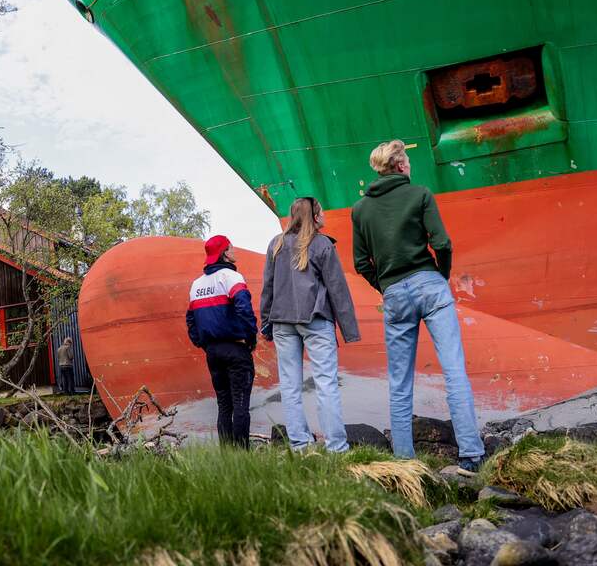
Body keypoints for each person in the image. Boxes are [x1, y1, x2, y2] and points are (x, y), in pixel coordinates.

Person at [351, 139, 485, 471]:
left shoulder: (359, 210)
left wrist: (385, 287)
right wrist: (440, 276)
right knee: (454, 370)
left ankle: (404, 461)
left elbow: (361, 263)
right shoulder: (420, 194)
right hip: (430, 284)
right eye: (407, 161)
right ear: (399, 166)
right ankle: (470, 455)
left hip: (394, 293)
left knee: (399, 381)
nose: (410, 165)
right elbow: (441, 242)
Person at [260, 197, 361, 453]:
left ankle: (300, 445)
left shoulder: (276, 244)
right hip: (315, 319)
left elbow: (268, 287)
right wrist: (349, 330)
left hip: (282, 321)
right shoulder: (322, 244)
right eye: (322, 212)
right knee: (326, 383)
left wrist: (265, 323)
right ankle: (336, 446)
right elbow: (338, 289)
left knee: (290, 386)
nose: (325, 215)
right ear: (314, 216)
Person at [186, 234, 258, 448]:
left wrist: (202, 343)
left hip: (213, 353)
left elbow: (190, 319)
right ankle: (242, 457)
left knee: (224, 405)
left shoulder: (196, 285)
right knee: (241, 405)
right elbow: (244, 308)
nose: (234, 250)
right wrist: (251, 337)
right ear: (225, 253)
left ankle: (227, 458)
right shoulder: (231, 277)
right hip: (236, 349)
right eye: (231, 247)